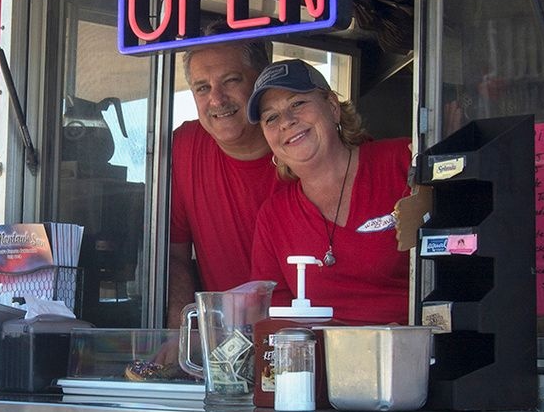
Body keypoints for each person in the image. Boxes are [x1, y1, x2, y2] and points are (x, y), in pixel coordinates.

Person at [247, 59, 414, 326]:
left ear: (333, 107)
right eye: (271, 117)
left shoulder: (404, 162)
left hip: (418, 347)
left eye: (297, 103)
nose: (286, 122)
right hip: (320, 351)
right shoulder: (273, 216)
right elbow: (274, 317)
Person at [167, 36, 278, 324]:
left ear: (261, 82)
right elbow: (174, 257)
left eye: (230, 81)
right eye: (202, 88)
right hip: (225, 337)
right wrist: (180, 334)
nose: (217, 100)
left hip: (301, 335)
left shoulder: (302, 146)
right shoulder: (185, 146)